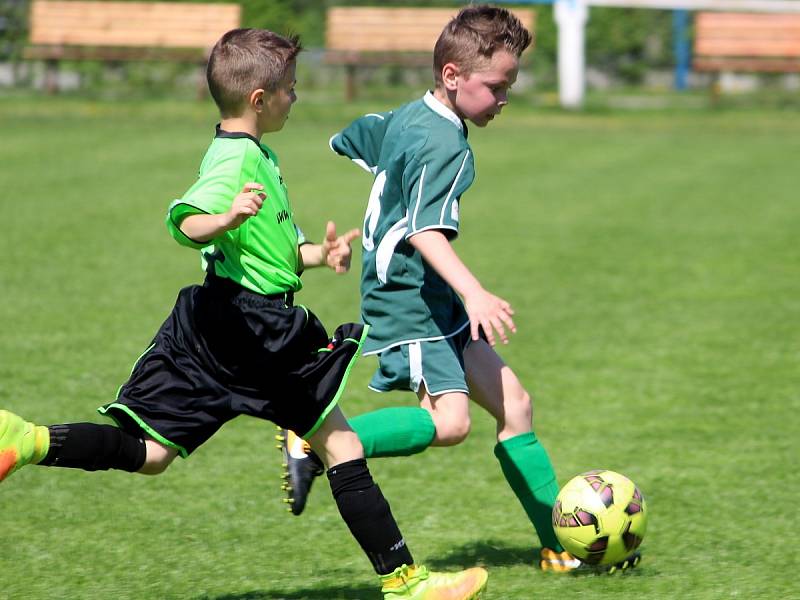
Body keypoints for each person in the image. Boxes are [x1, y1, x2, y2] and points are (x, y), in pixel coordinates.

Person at [0, 28, 489, 599]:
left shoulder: (250, 153)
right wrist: (224, 219)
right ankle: (407, 584)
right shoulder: (235, 160)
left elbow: (273, 253)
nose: (296, 98)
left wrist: (317, 255)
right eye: (291, 89)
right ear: (260, 99)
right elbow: (187, 221)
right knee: (342, 446)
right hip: (257, 334)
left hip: (213, 327)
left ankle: (24, 439)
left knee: (152, 454)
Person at [278, 6, 640, 574]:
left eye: (509, 86)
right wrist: (475, 293)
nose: (504, 99)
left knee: (514, 405)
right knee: (450, 424)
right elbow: (424, 230)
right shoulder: (446, 147)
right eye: (497, 86)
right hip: (409, 299)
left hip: (428, 295)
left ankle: (557, 544)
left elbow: (353, 137)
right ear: (453, 76)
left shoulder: (410, 117)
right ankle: (316, 436)